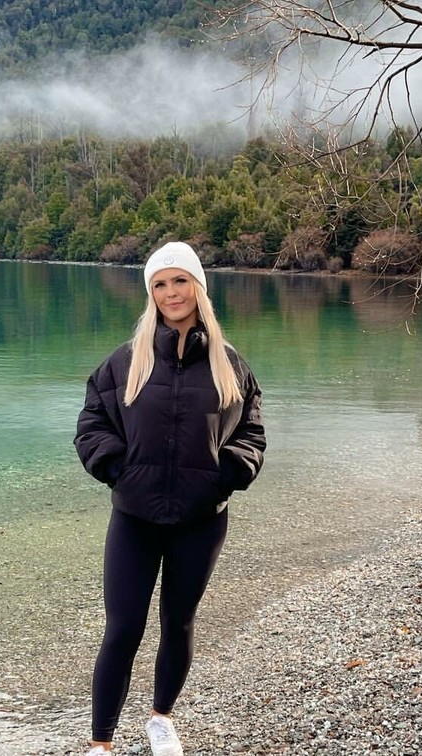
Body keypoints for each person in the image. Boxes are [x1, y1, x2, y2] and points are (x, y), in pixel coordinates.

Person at [74, 241, 266, 756]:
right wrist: (119, 470)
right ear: (150, 293)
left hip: (201, 520)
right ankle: (100, 744)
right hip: (134, 518)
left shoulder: (230, 365)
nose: (171, 292)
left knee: (178, 624)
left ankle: (161, 719)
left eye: (180, 280)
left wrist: (223, 478)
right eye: (159, 284)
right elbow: (92, 423)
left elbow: (251, 434)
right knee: (122, 630)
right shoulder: (124, 362)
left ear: (198, 286)